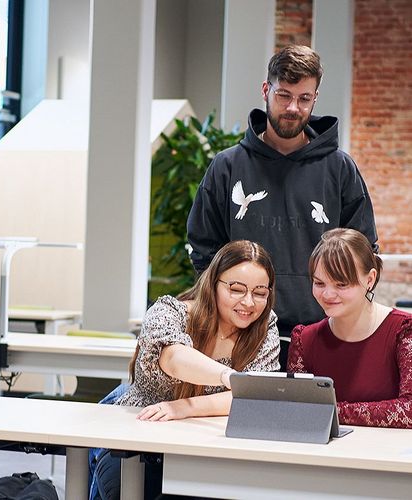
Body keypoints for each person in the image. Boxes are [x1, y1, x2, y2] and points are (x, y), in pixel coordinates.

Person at [186, 45, 378, 366]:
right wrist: (231, 308)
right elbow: (204, 248)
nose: (293, 107)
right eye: (284, 95)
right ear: (266, 90)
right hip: (242, 335)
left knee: (319, 416)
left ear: (315, 98)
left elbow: (362, 251)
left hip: (323, 334)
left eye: (304, 98)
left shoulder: (340, 169)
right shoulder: (227, 166)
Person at [89, 239, 280, 500]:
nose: (248, 303)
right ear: (213, 283)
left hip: (212, 447)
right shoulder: (169, 312)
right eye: (236, 289)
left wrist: (181, 407)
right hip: (140, 442)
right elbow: (173, 358)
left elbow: (253, 395)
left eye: (260, 293)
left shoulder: (265, 327)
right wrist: (229, 377)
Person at [287, 228, 412, 428]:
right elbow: (296, 409)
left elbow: (409, 410)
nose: (328, 294)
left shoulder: (404, 330)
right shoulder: (304, 339)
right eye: (319, 283)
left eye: (341, 285)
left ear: (370, 280)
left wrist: (331, 410)